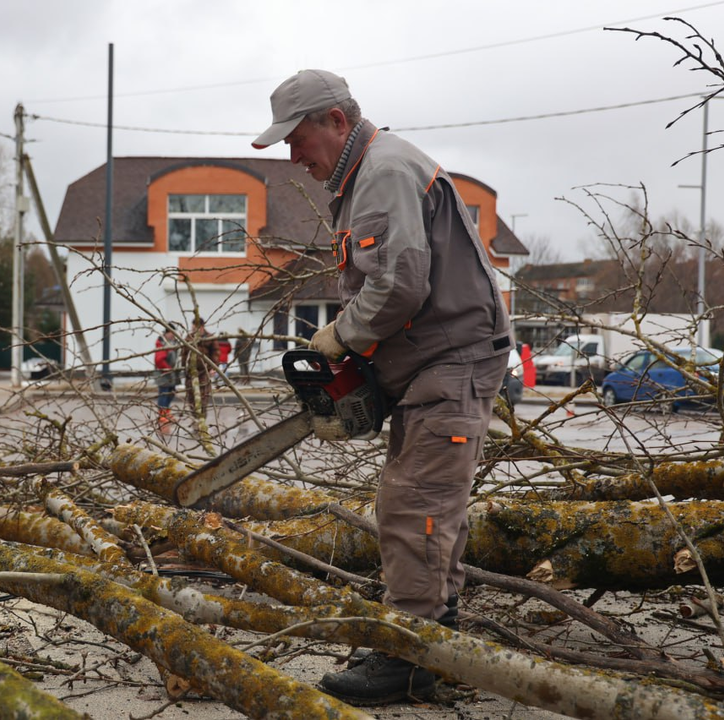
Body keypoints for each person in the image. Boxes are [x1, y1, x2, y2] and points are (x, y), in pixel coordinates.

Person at [253, 69, 511, 705]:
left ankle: (409, 651)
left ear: (337, 122)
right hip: (430, 361)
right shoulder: (365, 174)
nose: (294, 155)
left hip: (452, 360)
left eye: (299, 138)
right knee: (422, 502)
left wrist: (343, 335)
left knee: (412, 503)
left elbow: (399, 285)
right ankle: (435, 635)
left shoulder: (386, 172)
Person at [183, 318, 220, 412]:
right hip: (191, 372)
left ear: (201, 327)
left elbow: (215, 354)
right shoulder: (189, 338)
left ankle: (201, 419)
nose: (193, 330)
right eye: (192, 328)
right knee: (191, 397)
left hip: (204, 372)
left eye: (194, 328)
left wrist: (213, 368)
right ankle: (195, 418)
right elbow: (184, 354)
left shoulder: (210, 338)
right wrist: (184, 367)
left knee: (203, 397)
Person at [153, 323, 181, 435]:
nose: (173, 335)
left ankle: (166, 412)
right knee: (164, 394)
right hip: (164, 374)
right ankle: (162, 415)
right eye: (171, 333)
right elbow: (159, 360)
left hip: (172, 374)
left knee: (171, 393)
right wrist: (168, 369)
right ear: (167, 333)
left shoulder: (174, 343)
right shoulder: (162, 343)